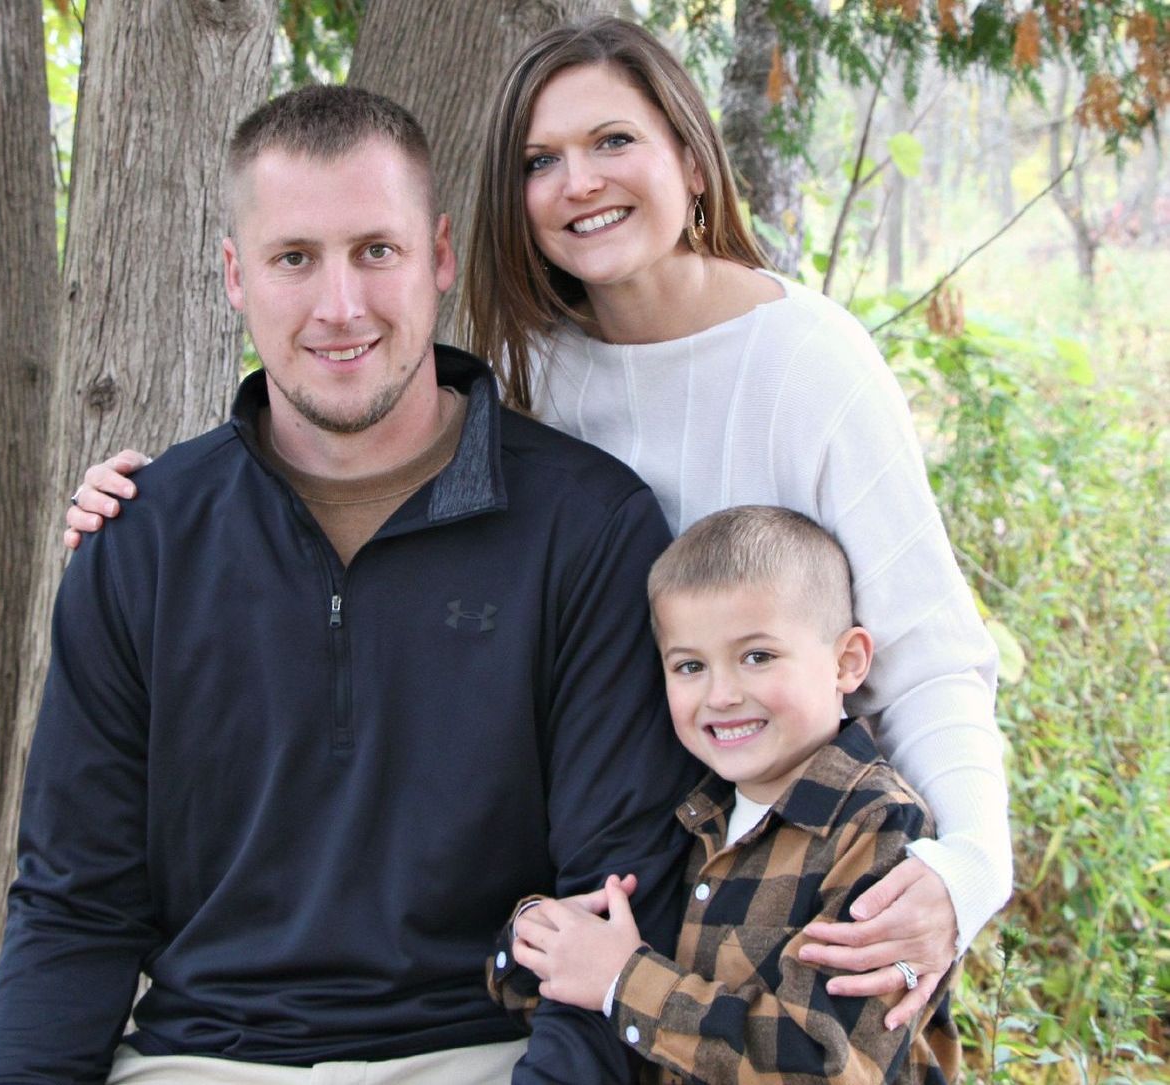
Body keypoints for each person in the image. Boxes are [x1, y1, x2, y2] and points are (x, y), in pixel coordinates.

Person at [66, 16, 1011, 1023]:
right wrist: (148, 507)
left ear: (690, 160)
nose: (579, 181)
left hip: (790, 863)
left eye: (613, 141)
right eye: (539, 159)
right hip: (624, 875)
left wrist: (965, 872)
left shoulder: (809, 362)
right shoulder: (528, 375)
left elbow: (926, 655)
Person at [0, 84, 700, 1085]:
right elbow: (73, 902)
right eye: (293, 259)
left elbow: (619, 890)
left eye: (376, 251)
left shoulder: (585, 526)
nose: (340, 306)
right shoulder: (142, 540)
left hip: (485, 1052)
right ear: (236, 275)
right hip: (202, 1059)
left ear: (438, 256)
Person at [493, 505, 961, 1083]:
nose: (721, 695)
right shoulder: (690, 813)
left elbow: (825, 1064)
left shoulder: (878, 827)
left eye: (757, 657)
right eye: (689, 666)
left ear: (847, 661)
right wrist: (536, 940)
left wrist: (623, 980)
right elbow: (572, 1005)